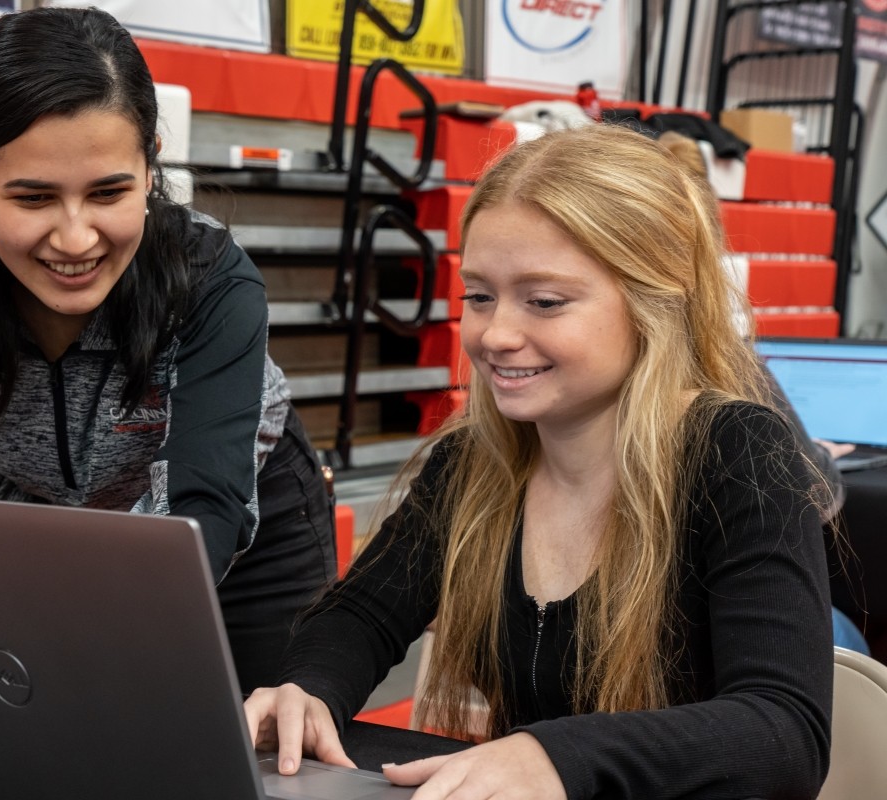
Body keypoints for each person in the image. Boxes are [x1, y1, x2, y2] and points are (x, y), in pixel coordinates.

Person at [246, 125, 832, 799]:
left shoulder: (739, 453)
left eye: (545, 302)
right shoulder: (474, 462)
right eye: (480, 296)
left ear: (654, 301)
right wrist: (307, 689)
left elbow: (783, 734)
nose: (496, 334)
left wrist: (556, 756)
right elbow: (361, 616)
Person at [0, 6, 336, 694]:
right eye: (33, 197)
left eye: (108, 192)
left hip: (246, 548)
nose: (75, 239)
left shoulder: (212, 278)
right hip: (67, 558)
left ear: (149, 166)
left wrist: (85, 633)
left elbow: (204, 509)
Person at [659, 129, 870, 656]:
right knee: (847, 647)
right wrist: (818, 454)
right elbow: (819, 492)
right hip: (699, 636)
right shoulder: (730, 369)